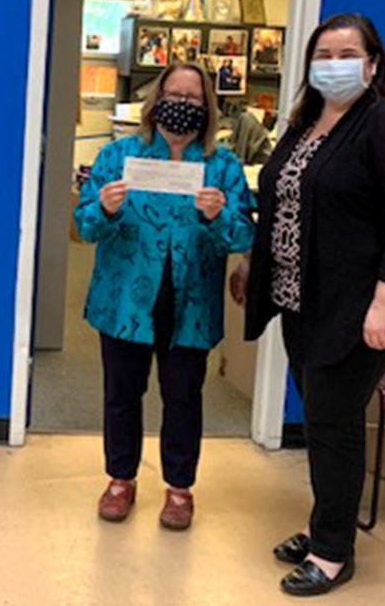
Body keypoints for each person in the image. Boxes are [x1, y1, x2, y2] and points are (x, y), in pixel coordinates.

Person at [235, 13, 385, 596]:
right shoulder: (306, 124)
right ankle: (330, 523)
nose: (333, 64)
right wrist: (255, 262)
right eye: (322, 54)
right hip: (303, 301)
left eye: (347, 53)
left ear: (373, 62)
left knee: (332, 423)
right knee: (324, 420)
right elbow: (280, 203)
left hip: (360, 308)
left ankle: (331, 553)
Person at [74, 63, 255, 531]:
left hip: (190, 304)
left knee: (183, 397)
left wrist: (217, 217)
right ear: (156, 100)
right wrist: (106, 208)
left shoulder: (222, 166)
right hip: (125, 302)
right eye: (174, 94)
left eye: (194, 98)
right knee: (121, 394)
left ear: (208, 107)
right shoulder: (118, 157)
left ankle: (179, 489)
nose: (183, 104)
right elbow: (86, 225)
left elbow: (239, 237)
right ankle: (120, 480)